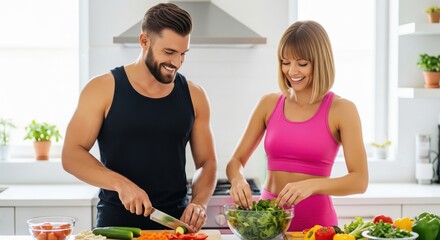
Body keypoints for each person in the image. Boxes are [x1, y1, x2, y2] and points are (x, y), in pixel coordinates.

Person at [61, 3, 217, 232]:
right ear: (144, 41)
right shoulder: (102, 89)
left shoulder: (195, 95)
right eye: (169, 52)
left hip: (175, 229)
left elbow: (207, 162)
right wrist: (120, 183)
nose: (177, 62)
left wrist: (199, 203)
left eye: (183, 53)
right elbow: (71, 155)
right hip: (116, 229)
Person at [226, 20, 368, 231]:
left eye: (301, 63)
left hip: (317, 227)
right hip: (268, 225)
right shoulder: (269, 103)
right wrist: (237, 179)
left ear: (319, 62)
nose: (292, 71)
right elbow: (236, 161)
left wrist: (312, 184)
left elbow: (359, 180)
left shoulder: (342, 109)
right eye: (285, 62)